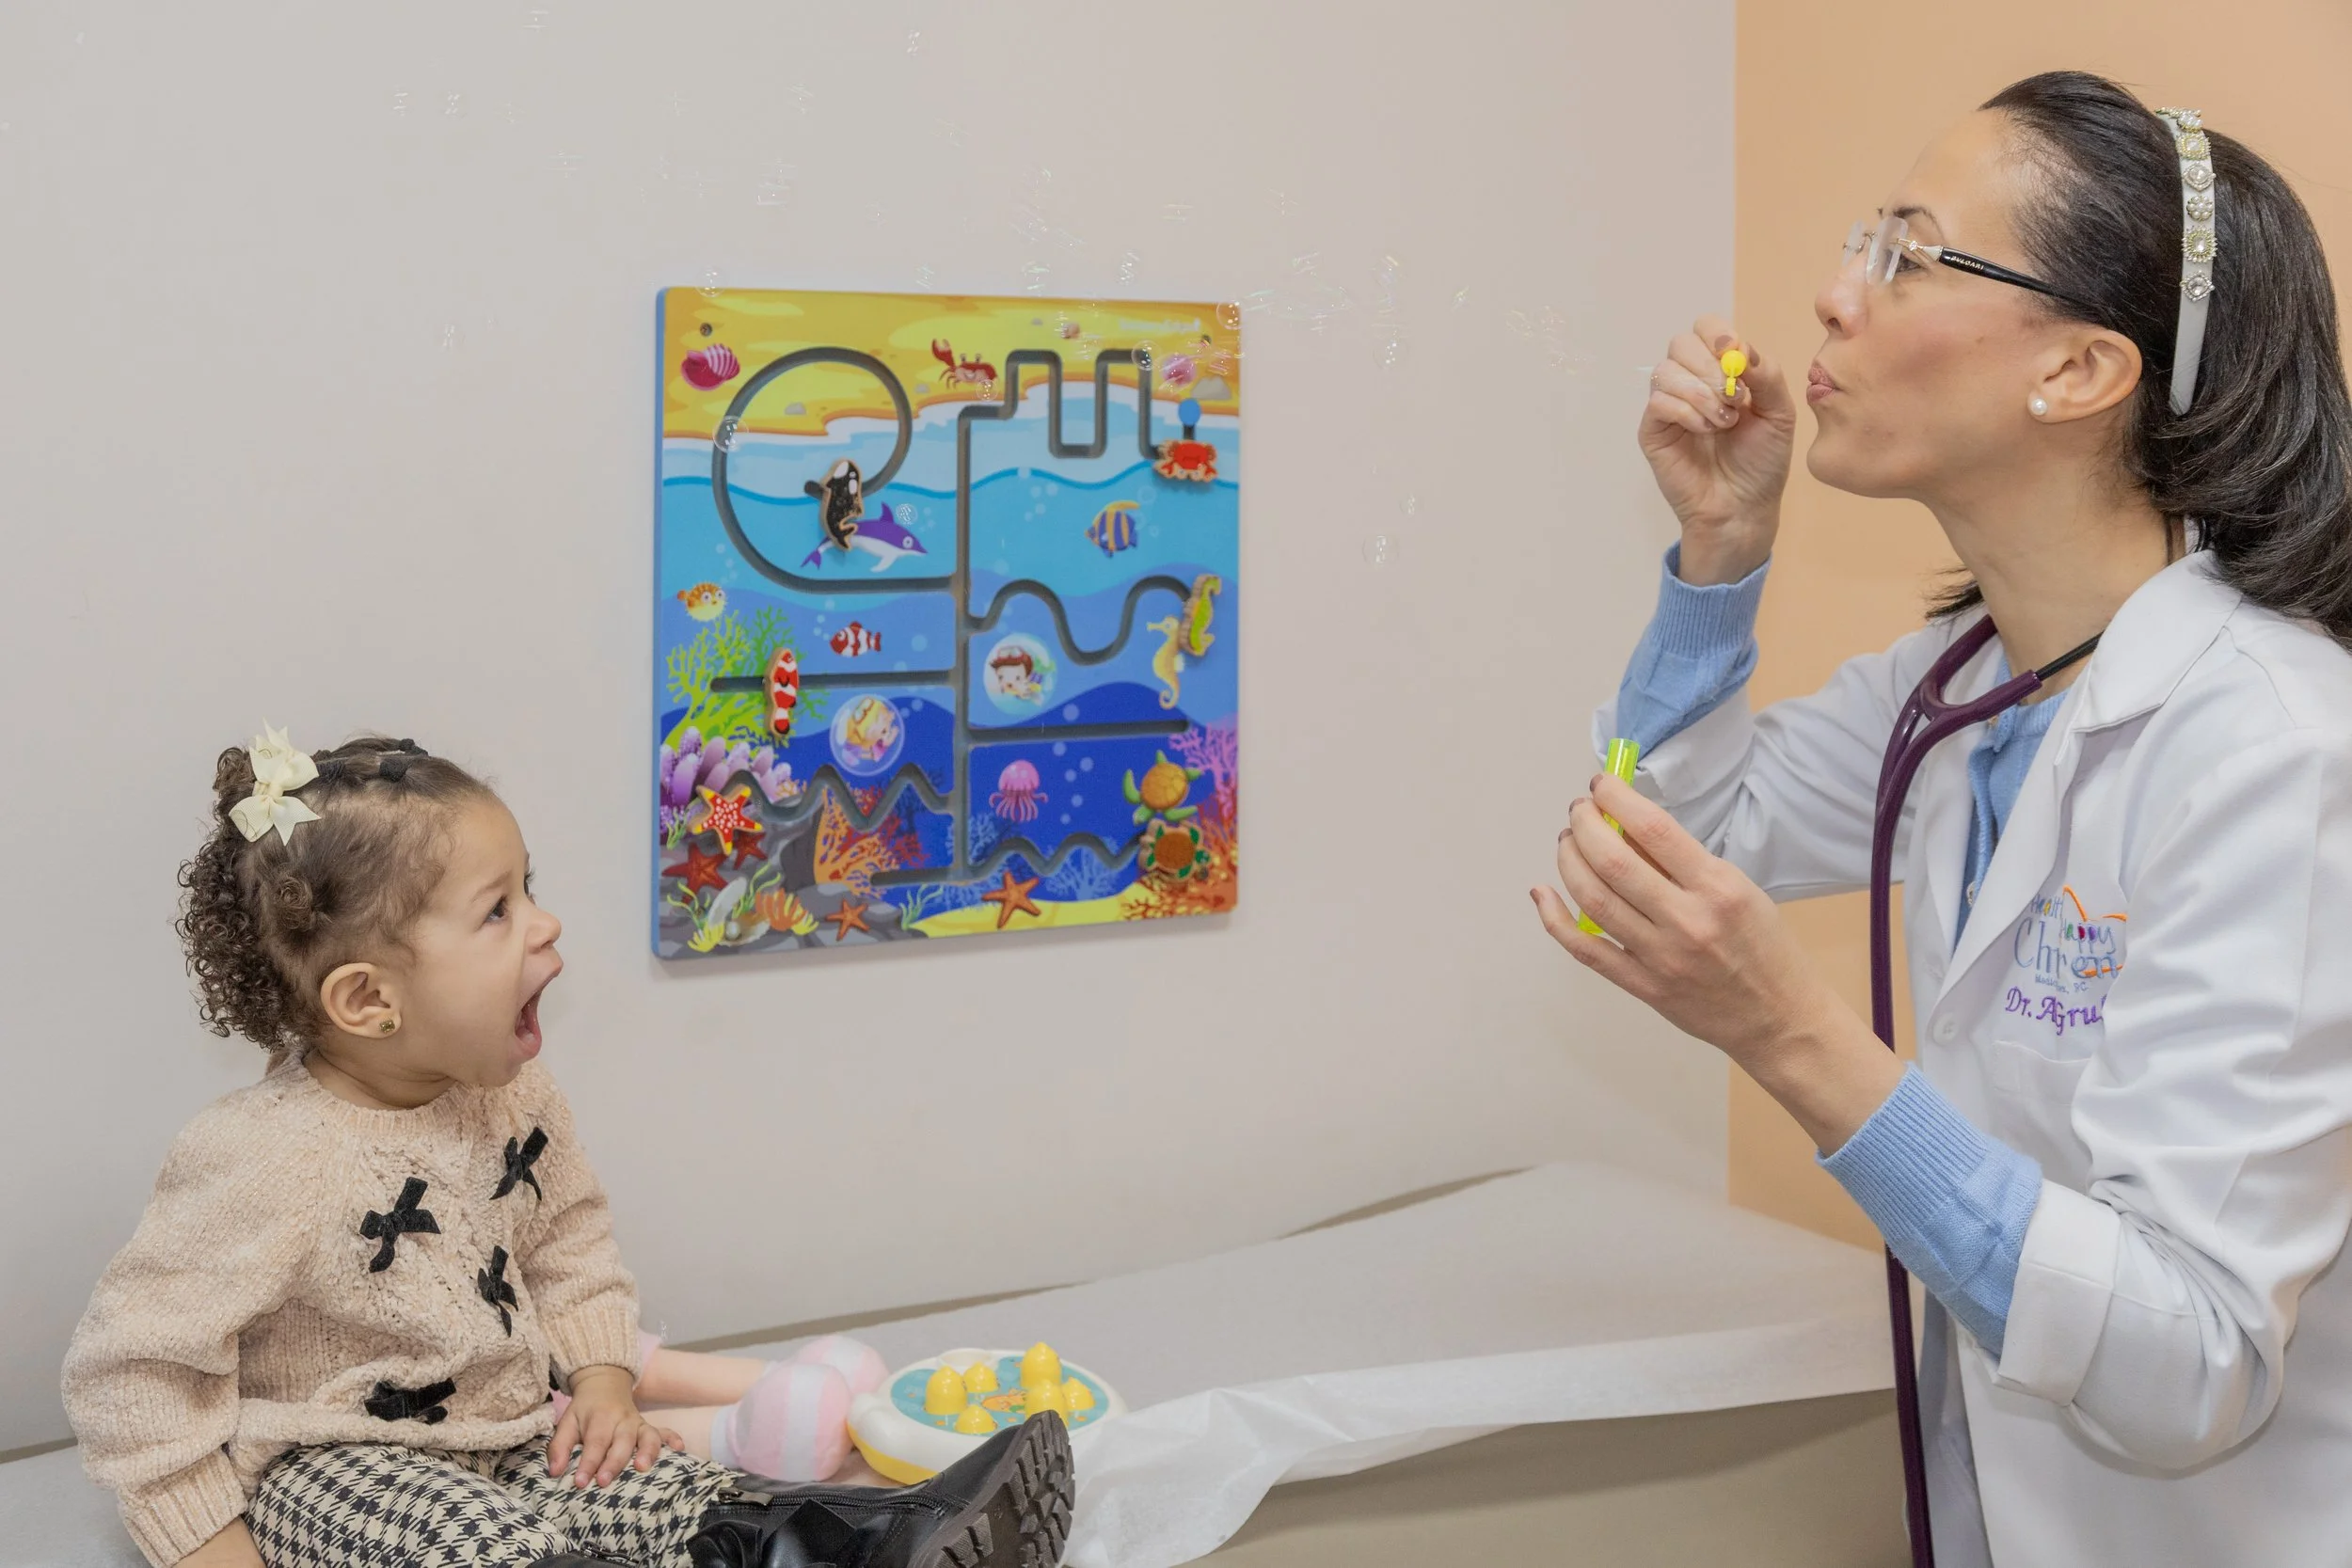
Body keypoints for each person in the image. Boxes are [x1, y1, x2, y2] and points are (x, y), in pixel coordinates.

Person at [1532, 71, 2352, 1567]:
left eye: (1908, 252)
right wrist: (1721, 547)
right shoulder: (1958, 684)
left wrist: (1791, 1034)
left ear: (2080, 371)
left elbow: (2195, 1360)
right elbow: (1645, 853)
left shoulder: (2281, 749)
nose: (1837, 297)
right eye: (1862, 241)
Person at [62, 730, 1072, 1568]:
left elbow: (567, 1245)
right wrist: (207, 1545)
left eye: (528, 887)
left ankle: (847, 1541)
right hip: (330, 1463)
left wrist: (600, 1382)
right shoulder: (257, 1157)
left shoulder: (516, 1098)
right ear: (369, 998)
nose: (546, 925)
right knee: (479, 1539)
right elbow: (133, 1371)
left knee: (674, 1492)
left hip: (513, 1424)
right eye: (497, 910)